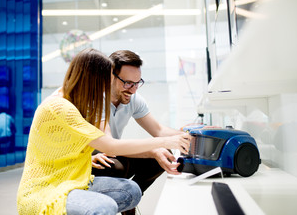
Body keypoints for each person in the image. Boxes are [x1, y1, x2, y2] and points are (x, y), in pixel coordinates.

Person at [16, 48, 191, 215]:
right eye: (106, 82)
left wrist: (183, 136)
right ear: (92, 80)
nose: (107, 89)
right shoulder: (60, 107)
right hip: (47, 189)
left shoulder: (78, 102)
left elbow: (157, 130)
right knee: (104, 207)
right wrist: (162, 143)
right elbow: (110, 146)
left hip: (75, 177)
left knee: (132, 192)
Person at [91, 50, 188, 214]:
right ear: (110, 76)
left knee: (164, 154)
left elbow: (158, 130)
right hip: (93, 158)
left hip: (113, 152)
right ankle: (123, 199)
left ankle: (129, 201)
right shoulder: (95, 99)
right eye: (128, 83)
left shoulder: (133, 98)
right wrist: (153, 149)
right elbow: (108, 146)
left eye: (137, 83)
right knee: (115, 166)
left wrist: (189, 135)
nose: (133, 90)